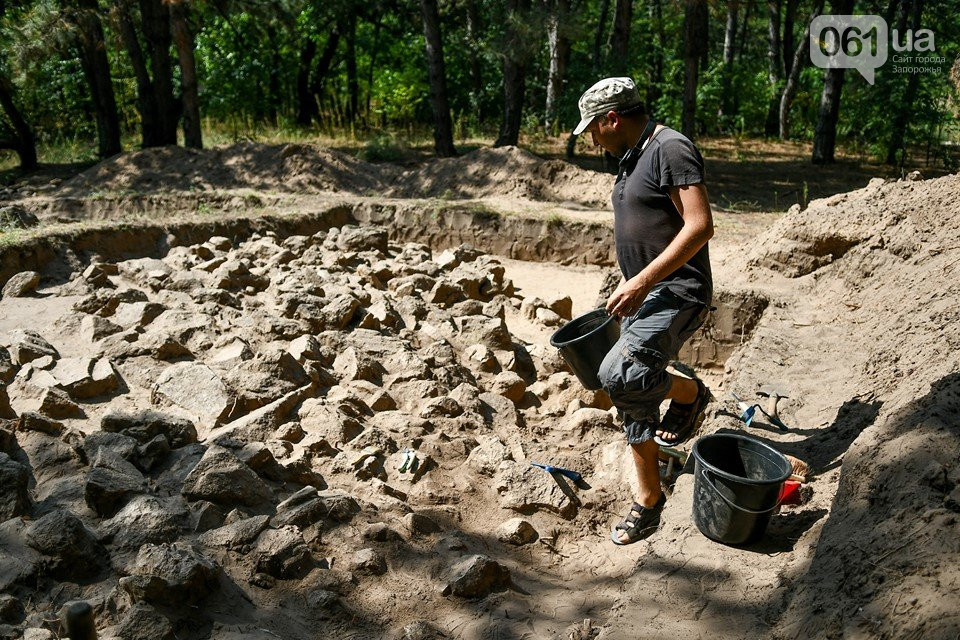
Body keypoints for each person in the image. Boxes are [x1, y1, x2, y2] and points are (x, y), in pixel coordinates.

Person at [572, 77, 714, 545]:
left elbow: (700, 225)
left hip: (678, 290)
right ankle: (687, 397)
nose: (593, 140)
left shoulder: (670, 148)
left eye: (593, 129)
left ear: (612, 119)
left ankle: (651, 497)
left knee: (620, 375)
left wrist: (643, 280)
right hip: (646, 294)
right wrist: (632, 282)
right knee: (617, 379)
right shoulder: (633, 157)